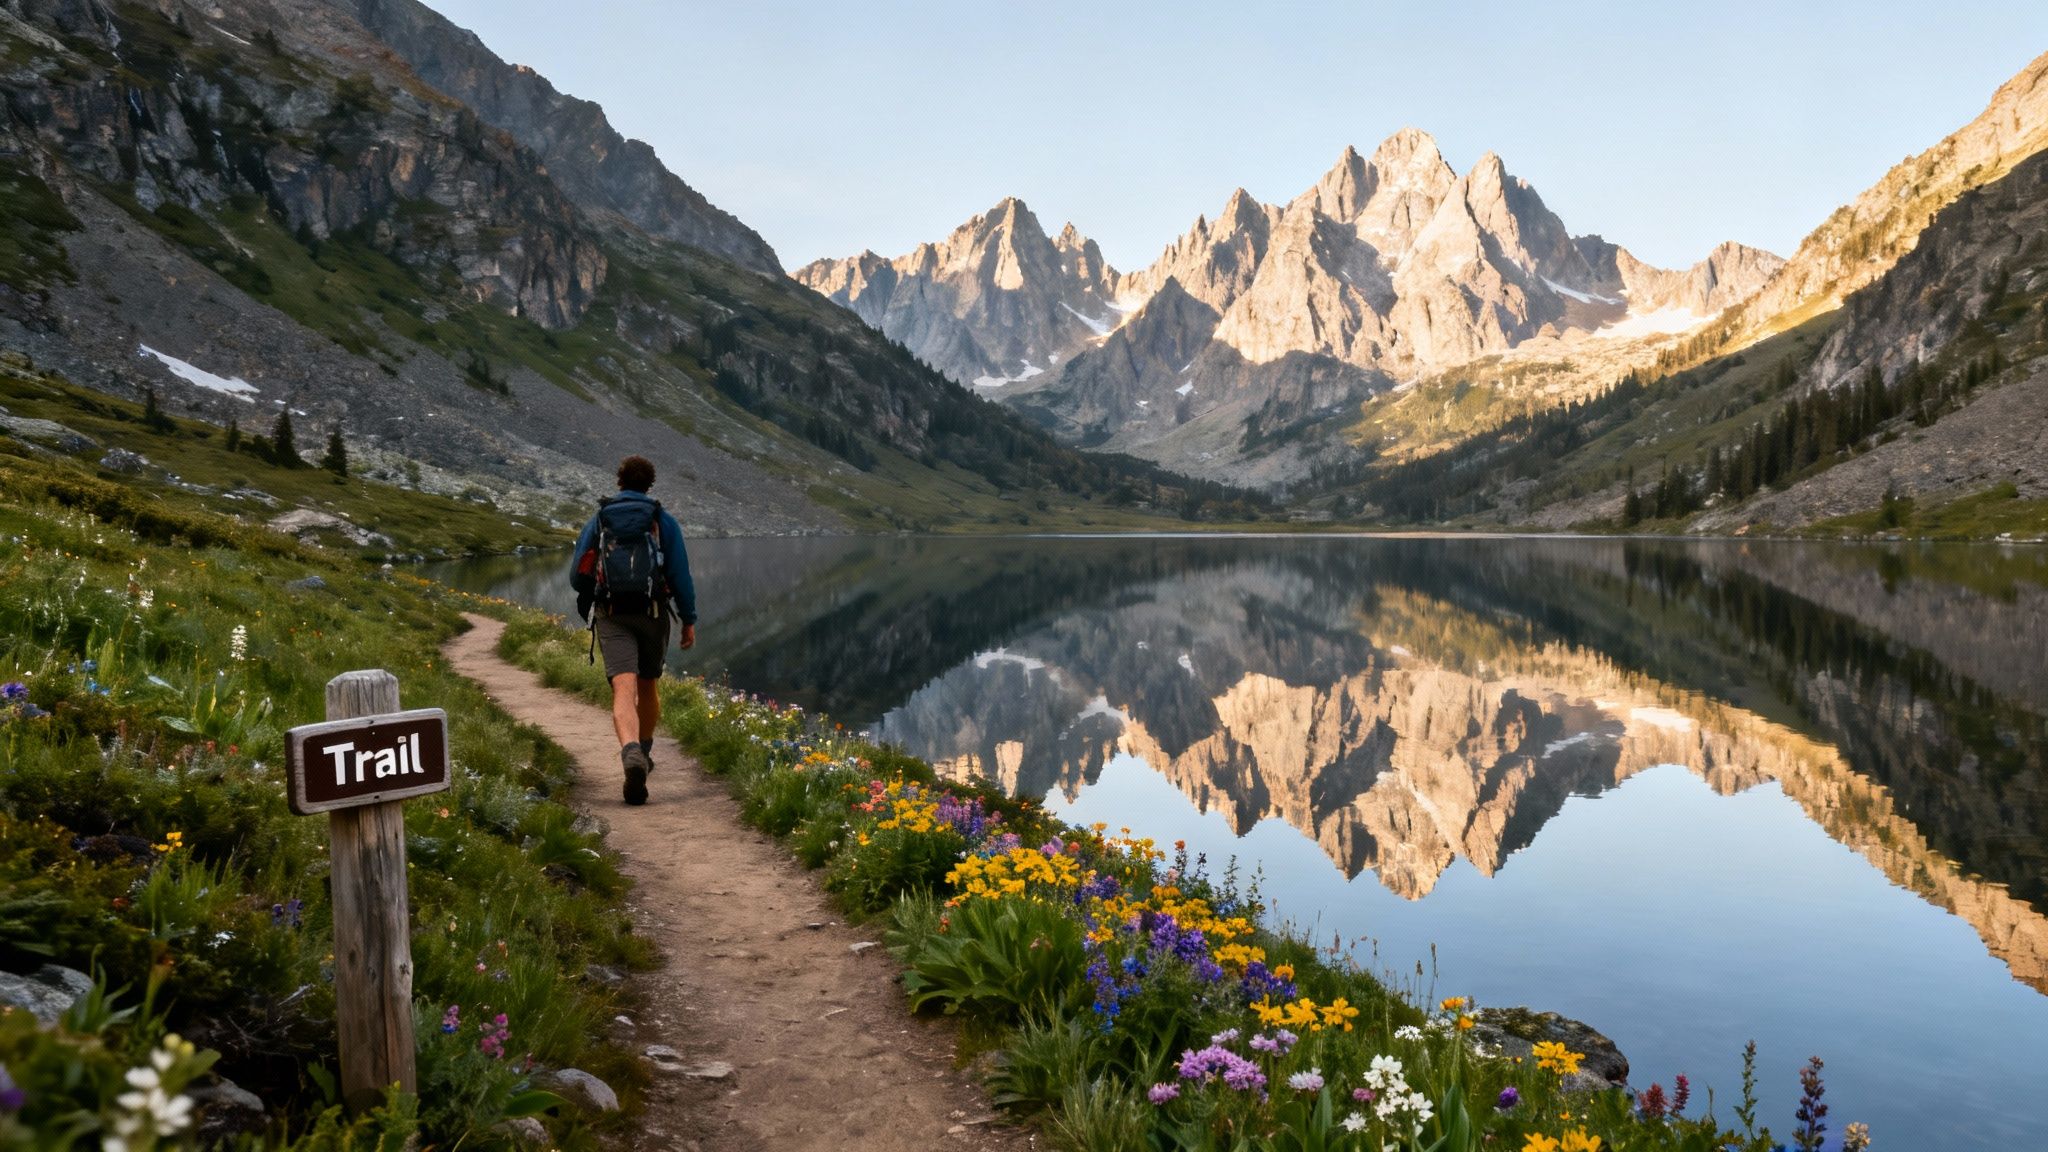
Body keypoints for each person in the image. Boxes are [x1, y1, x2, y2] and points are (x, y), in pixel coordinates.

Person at [569, 455, 696, 805]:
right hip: (652, 613)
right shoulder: (661, 521)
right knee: (648, 685)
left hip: (612, 614)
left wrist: (594, 594)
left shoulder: (600, 519)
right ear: (649, 485)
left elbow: (577, 575)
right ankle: (645, 749)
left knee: (623, 689)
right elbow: (680, 575)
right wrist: (688, 619)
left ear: (620, 481)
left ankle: (630, 752)